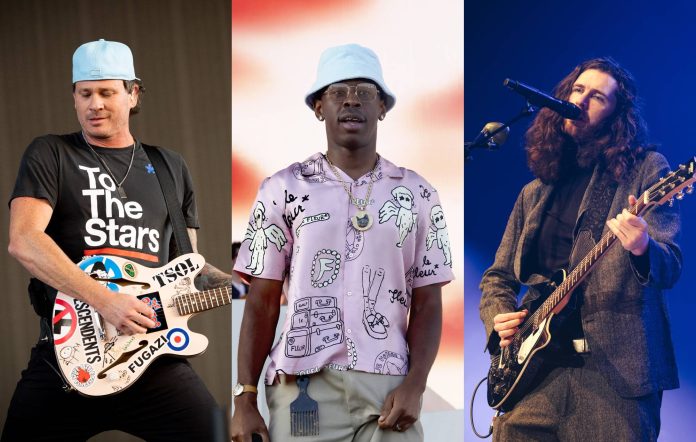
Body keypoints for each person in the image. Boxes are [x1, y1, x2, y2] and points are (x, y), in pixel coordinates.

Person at [3, 39, 231, 441]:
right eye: (85, 93)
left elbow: (188, 265)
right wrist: (105, 300)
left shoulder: (169, 166)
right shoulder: (51, 153)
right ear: (73, 97)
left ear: (133, 93)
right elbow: (24, 240)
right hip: (69, 355)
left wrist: (247, 284)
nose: (95, 104)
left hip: (152, 358)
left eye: (107, 92)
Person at [230, 44, 454, 442]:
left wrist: (416, 386)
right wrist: (244, 399)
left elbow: (428, 302)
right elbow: (261, 302)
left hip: (389, 388)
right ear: (319, 107)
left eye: (365, 91)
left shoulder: (419, 193)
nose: (352, 99)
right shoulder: (281, 189)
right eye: (338, 92)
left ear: (383, 107)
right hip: (304, 386)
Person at [479, 57, 681, 441]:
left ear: (616, 115)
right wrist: (498, 318)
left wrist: (643, 247)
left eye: (598, 97)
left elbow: (670, 264)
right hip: (534, 375)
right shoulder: (535, 192)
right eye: (578, 90)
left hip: (613, 378)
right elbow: (497, 277)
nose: (583, 100)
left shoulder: (645, 171)